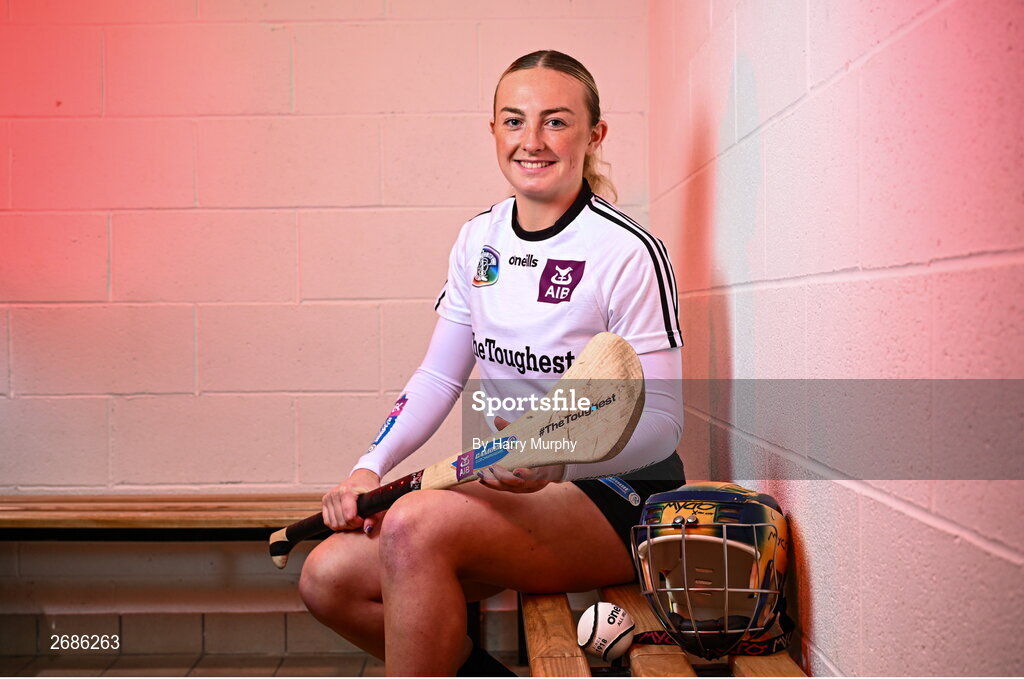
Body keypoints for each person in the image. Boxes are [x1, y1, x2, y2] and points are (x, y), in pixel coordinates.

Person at [299, 50, 685, 677]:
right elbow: (438, 376)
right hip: (517, 484)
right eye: (514, 121)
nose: (532, 141)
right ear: (493, 131)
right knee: (327, 577)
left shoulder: (627, 251)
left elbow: (664, 424)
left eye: (556, 122)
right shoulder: (478, 240)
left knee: (415, 523)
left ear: (594, 135)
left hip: (619, 497)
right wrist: (367, 469)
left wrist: (562, 455)